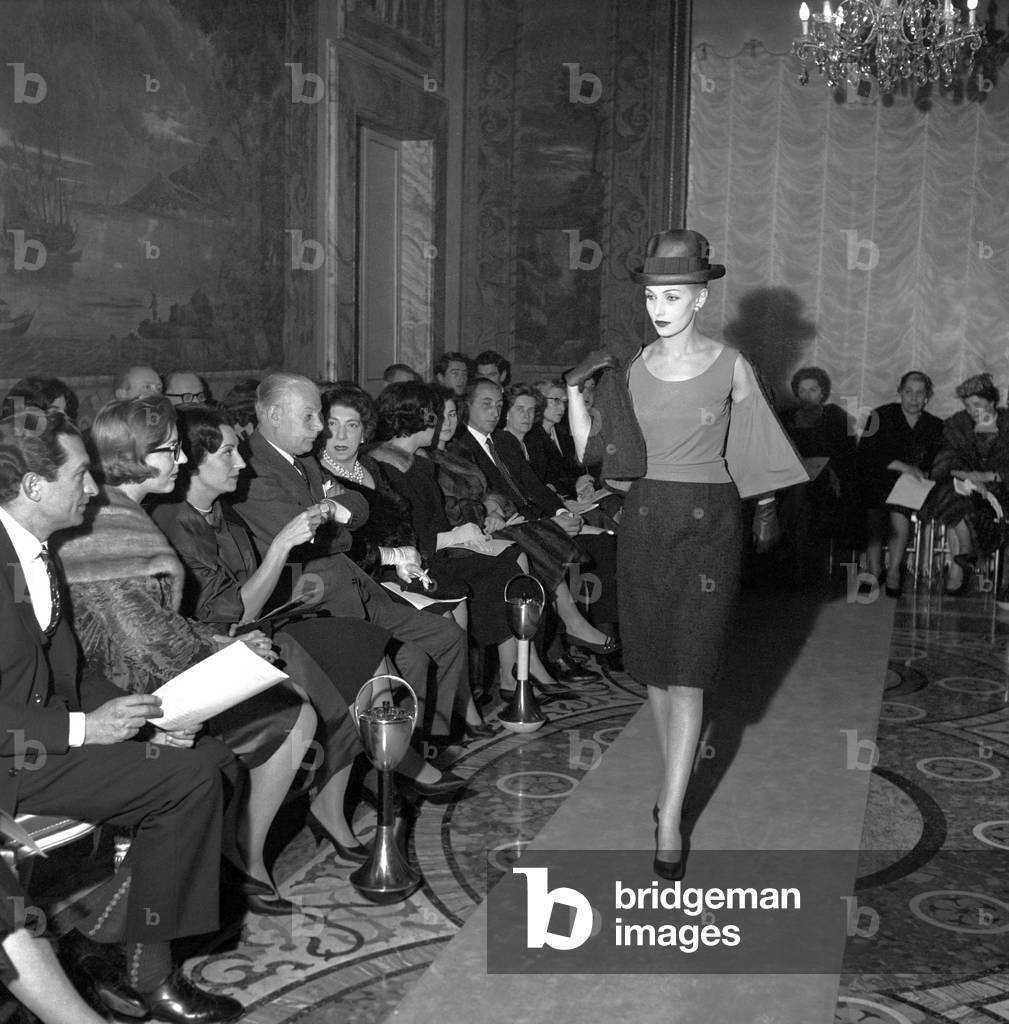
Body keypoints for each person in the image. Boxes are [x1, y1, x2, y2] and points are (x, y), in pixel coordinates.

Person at [566, 229, 806, 880]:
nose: (659, 307)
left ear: (699, 299)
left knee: (690, 670)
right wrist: (572, 401)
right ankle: (671, 788)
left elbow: (756, 447)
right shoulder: (634, 368)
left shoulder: (732, 367)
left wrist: (764, 510)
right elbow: (608, 458)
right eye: (651, 295)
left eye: (673, 295)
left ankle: (669, 815)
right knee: (653, 668)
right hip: (644, 523)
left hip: (708, 528)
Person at [0, 406, 244, 1023]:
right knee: (187, 780)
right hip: (14, 759)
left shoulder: (36, 549)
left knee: (210, 757)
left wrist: (147, 714)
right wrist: (86, 728)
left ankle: (101, 931)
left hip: (42, 740)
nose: (92, 486)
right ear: (33, 488)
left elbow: (68, 671)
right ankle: (147, 973)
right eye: (80, 474)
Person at [58, 396, 321, 913]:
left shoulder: (119, 508)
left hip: (132, 675)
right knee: (291, 715)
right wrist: (227, 648)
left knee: (291, 705)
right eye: (171, 450)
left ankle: (232, 857)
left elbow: (152, 624)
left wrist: (226, 644)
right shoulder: (111, 521)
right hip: (121, 693)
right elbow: (139, 642)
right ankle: (233, 860)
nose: (182, 461)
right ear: (135, 455)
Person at [230, 373, 472, 752]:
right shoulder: (252, 469)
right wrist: (336, 520)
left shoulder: (304, 458)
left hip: (355, 584)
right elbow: (314, 541)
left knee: (448, 637)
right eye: (311, 417)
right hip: (313, 600)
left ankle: (427, 744)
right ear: (275, 414)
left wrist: (330, 512)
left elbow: (361, 508)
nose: (320, 428)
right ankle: (390, 764)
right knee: (409, 659)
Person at [919, 372, 1009, 595]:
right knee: (952, 494)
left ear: (993, 402)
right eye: (968, 405)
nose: (971, 411)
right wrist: (968, 477)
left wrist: (988, 478)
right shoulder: (958, 424)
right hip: (965, 488)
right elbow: (947, 458)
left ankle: (960, 564)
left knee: (958, 503)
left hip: (1001, 490)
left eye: (977, 404)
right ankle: (964, 553)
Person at [856, 371, 943, 597]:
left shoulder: (935, 425)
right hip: (880, 476)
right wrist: (903, 467)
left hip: (912, 485)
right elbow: (867, 452)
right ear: (900, 392)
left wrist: (921, 472)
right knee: (875, 501)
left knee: (900, 507)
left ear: (927, 397)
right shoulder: (881, 415)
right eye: (908, 392)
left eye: (920, 393)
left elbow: (939, 460)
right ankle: (874, 568)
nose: (913, 398)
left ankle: (894, 570)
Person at [778, 367, 858, 586]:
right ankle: (797, 569)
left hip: (826, 483)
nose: (807, 395)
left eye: (812, 390)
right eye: (802, 390)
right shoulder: (785, 418)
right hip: (788, 481)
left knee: (802, 497)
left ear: (822, 393)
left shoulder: (836, 416)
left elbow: (847, 455)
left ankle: (788, 555)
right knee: (799, 500)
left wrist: (830, 469)